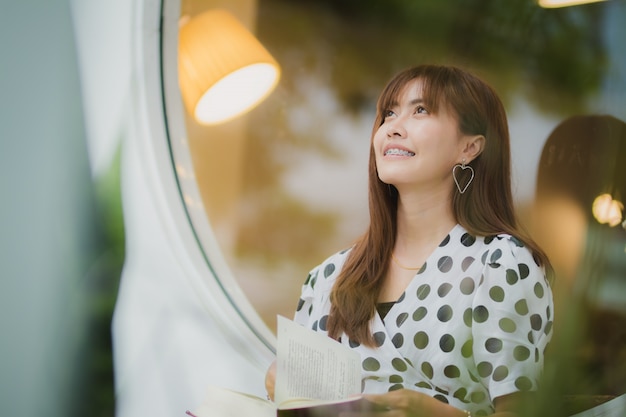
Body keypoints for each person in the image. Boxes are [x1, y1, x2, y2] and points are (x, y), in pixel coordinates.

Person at [265, 64, 554, 417]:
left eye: (420, 111)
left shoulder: (500, 264)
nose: (393, 128)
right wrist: (284, 386)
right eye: (388, 113)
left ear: (470, 147)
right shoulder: (328, 276)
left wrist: (425, 410)